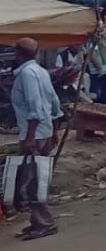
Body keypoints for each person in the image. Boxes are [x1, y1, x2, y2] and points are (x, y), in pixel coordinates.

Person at [10, 38, 63, 240]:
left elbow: (34, 107)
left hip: (34, 134)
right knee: (35, 177)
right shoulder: (40, 71)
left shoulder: (27, 74)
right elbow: (54, 102)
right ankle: (37, 222)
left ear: (18, 54)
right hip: (44, 131)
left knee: (32, 180)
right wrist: (55, 129)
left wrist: (30, 137)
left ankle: (44, 223)